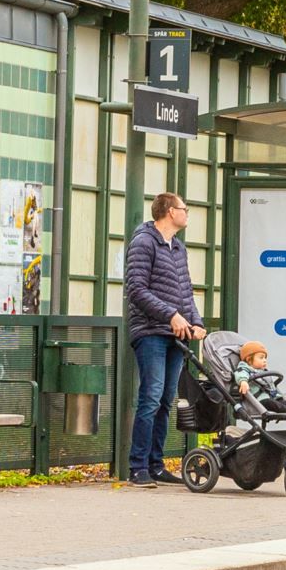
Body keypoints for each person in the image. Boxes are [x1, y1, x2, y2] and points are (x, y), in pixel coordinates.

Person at [123, 190, 204, 488]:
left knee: (167, 400)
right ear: (170, 211)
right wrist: (171, 315)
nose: (187, 213)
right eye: (184, 208)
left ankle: (156, 465)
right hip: (150, 332)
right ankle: (138, 467)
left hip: (176, 334)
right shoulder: (144, 242)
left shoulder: (178, 248)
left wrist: (196, 321)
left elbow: (186, 291)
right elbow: (136, 289)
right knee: (151, 397)